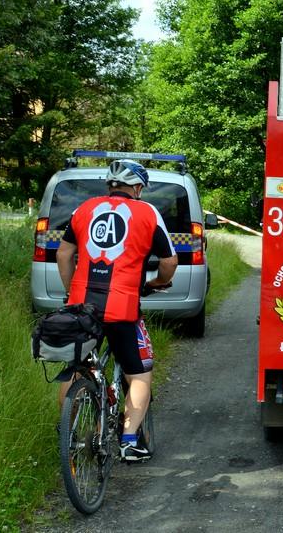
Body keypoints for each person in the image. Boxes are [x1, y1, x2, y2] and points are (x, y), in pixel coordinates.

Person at [56, 159, 178, 461]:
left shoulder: (83, 210)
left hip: (81, 305)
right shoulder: (147, 212)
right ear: (137, 187)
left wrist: (71, 292)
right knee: (139, 375)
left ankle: (69, 432)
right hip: (122, 307)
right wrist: (156, 283)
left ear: (110, 185)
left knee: (75, 367)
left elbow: (64, 254)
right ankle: (129, 443)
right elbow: (169, 262)